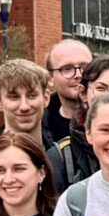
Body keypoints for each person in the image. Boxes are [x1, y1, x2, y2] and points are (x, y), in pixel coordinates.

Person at [42, 38, 95, 187]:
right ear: (50, 79)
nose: (78, 75)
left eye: (85, 67)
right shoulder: (38, 129)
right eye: (67, 69)